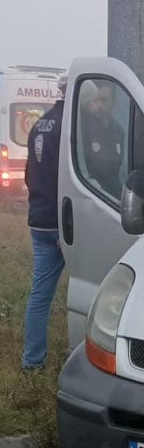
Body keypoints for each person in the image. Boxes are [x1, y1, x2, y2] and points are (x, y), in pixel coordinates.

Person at [22, 76, 67, 371]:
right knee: (95, 289)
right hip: (63, 222)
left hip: (39, 218)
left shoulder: (41, 123)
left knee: (40, 293)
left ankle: (32, 360)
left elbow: (30, 173)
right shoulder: (71, 125)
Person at [81, 80, 127, 200]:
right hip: (93, 196)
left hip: (114, 199)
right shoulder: (84, 129)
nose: (99, 105)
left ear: (113, 102)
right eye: (96, 100)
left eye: (104, 100)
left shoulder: (118, 131)